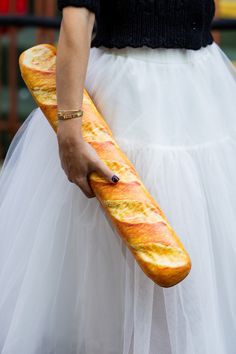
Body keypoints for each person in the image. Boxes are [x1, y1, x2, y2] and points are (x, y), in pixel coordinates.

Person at [0, 1, 236, 353]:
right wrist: (70, 128)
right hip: (125, 95)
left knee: (202, 256)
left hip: (200, 93)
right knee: (115, 263)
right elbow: (77, 17)